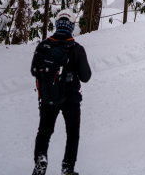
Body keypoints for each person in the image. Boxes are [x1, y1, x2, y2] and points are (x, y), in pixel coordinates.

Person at [31, 10, 91, 175]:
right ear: (72, 26)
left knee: (44, 132)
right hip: (70, 99)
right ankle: (67, 168)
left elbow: (34, 71)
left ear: (56, 25)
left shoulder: (43, 46)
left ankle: (40, 160)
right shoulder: (76, 48)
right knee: (72, 133)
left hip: (47, 97)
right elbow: (86, 77)